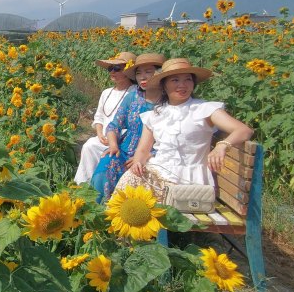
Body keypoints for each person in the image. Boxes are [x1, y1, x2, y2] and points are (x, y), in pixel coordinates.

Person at [115, 58, 253, 201]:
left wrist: (222, 146)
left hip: (188, 182)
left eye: (188, 80)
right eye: (175, 80)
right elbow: (143, 150)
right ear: (164, 86)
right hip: (158, 173)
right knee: (125, 198)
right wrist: (138, 162)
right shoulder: (155, 114)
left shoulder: (204, 109)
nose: (182, 85)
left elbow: (244, 130)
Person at [90, 53, 165, 202]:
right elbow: (114, 125)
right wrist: (113, 145)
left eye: (148, 72)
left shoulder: (168, 101)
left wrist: (148, 155)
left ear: (161, 73)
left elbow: (174, 139)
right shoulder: (133, 96)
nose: (143, 77)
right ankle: (98, 213)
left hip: (153, 155)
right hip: (124, 150)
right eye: (138, 73)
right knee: (106, 165)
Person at [74, 52, 136, 185]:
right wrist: (100, 134)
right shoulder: (106, 93)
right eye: (110, 68)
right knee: (89, 146)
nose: (112, 72)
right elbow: (99, 117)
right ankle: (85, 184)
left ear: (129, 71)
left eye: (117, 68)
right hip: (104, 137)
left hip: (124, 138)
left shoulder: (135, 92)